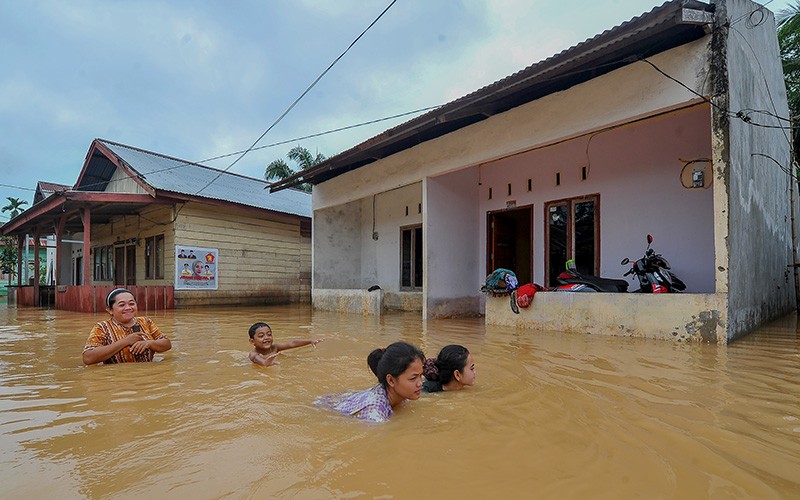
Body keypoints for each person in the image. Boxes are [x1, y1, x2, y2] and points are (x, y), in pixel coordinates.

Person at [315, 341, 425, 423]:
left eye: (421, 375)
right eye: (413, 378)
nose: (420, 383)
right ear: (391, 380)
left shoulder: (399, 393)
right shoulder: (374, 413)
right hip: (324, 409)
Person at [82, 288, 172, 365]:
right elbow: (88, 358)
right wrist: (125, 341)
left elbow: (167, 344)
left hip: (147, 374)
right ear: (110, 310)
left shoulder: (146, 322)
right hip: (117, 377)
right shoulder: (102, 327)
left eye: (131, 304)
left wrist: (149, 343)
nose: (128, 308)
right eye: (122, 305)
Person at [248, 322, 323, 366]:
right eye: (261, 336)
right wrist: (267, 362)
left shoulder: (275, 347)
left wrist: (310, 341)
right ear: (252, 341)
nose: (267, 337)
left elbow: (292, 343)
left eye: (269, 334)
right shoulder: (254, 354)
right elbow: (262, 362)